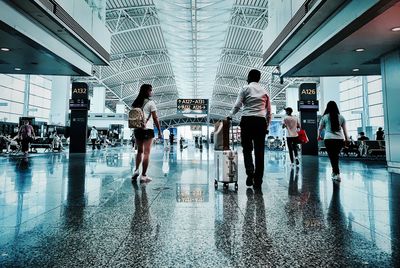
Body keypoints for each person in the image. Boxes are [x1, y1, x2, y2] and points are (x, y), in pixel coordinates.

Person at [228, 69, 271, 189]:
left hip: (247, 121)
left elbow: (238, 105)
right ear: (259, 78)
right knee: (259, 152)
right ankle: (258, 180)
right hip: (260, 121)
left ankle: (250, 171)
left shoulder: (245, 88)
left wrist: (230, 115)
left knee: (247, 149)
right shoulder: (265, 91)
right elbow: (269, 112)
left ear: (249, 77)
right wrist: (266, 125)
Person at [131, 84, 162, 183]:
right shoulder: (151, 103)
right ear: (147, 91)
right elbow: (155, 118)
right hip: (147, 129)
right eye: (150, 90)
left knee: (139, 151)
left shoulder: (135, 102)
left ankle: (136, 170)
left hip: (137, 129)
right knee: (147, 153)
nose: (151, 92)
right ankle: (143, 175)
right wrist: (159, 131)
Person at [318, 101, 349, 182]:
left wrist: (319, 136)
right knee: (335, 156)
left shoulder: (325, 117)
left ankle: (337, 173)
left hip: (329, 139)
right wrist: (347, 139)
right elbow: (345, 130)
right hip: (339, 139)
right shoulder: (341, 117)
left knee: (332, 157)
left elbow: (320, 128)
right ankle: (334, 173)